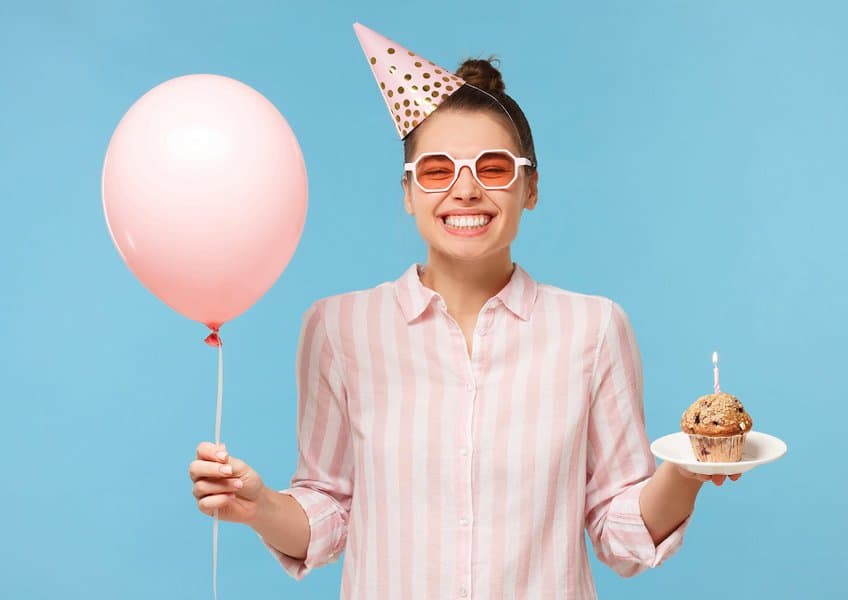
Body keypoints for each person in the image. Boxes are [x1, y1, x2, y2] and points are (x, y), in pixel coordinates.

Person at [188, 23, 740, 599]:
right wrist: (259, 507)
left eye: (494, 168)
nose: (466, 190)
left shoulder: (595, 329)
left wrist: (686, 468)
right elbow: (327, 512)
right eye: (437, 171)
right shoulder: (338, 328)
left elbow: (619, 532)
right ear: (408, 193)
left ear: (530, 188)